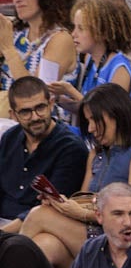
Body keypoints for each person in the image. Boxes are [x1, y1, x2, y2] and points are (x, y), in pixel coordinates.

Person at [17, 84, 131, 268]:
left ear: (117, 115)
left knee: (38, 215)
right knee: (44, 245)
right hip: (90, 234)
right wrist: (61, 205)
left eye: (94, 120)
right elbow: (84, 200)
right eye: (87, 121)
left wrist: (81, 213)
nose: (89, 129)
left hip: (121, 241)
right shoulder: (95, 154)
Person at [0, 77, 88, 222]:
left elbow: (50, 209)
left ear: (51, 104)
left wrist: (3, 235)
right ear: (14, 115)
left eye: (40, 108)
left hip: (37, 226)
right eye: (25, 112)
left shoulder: (70, 148)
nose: (35, 117)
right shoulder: (9, 137)